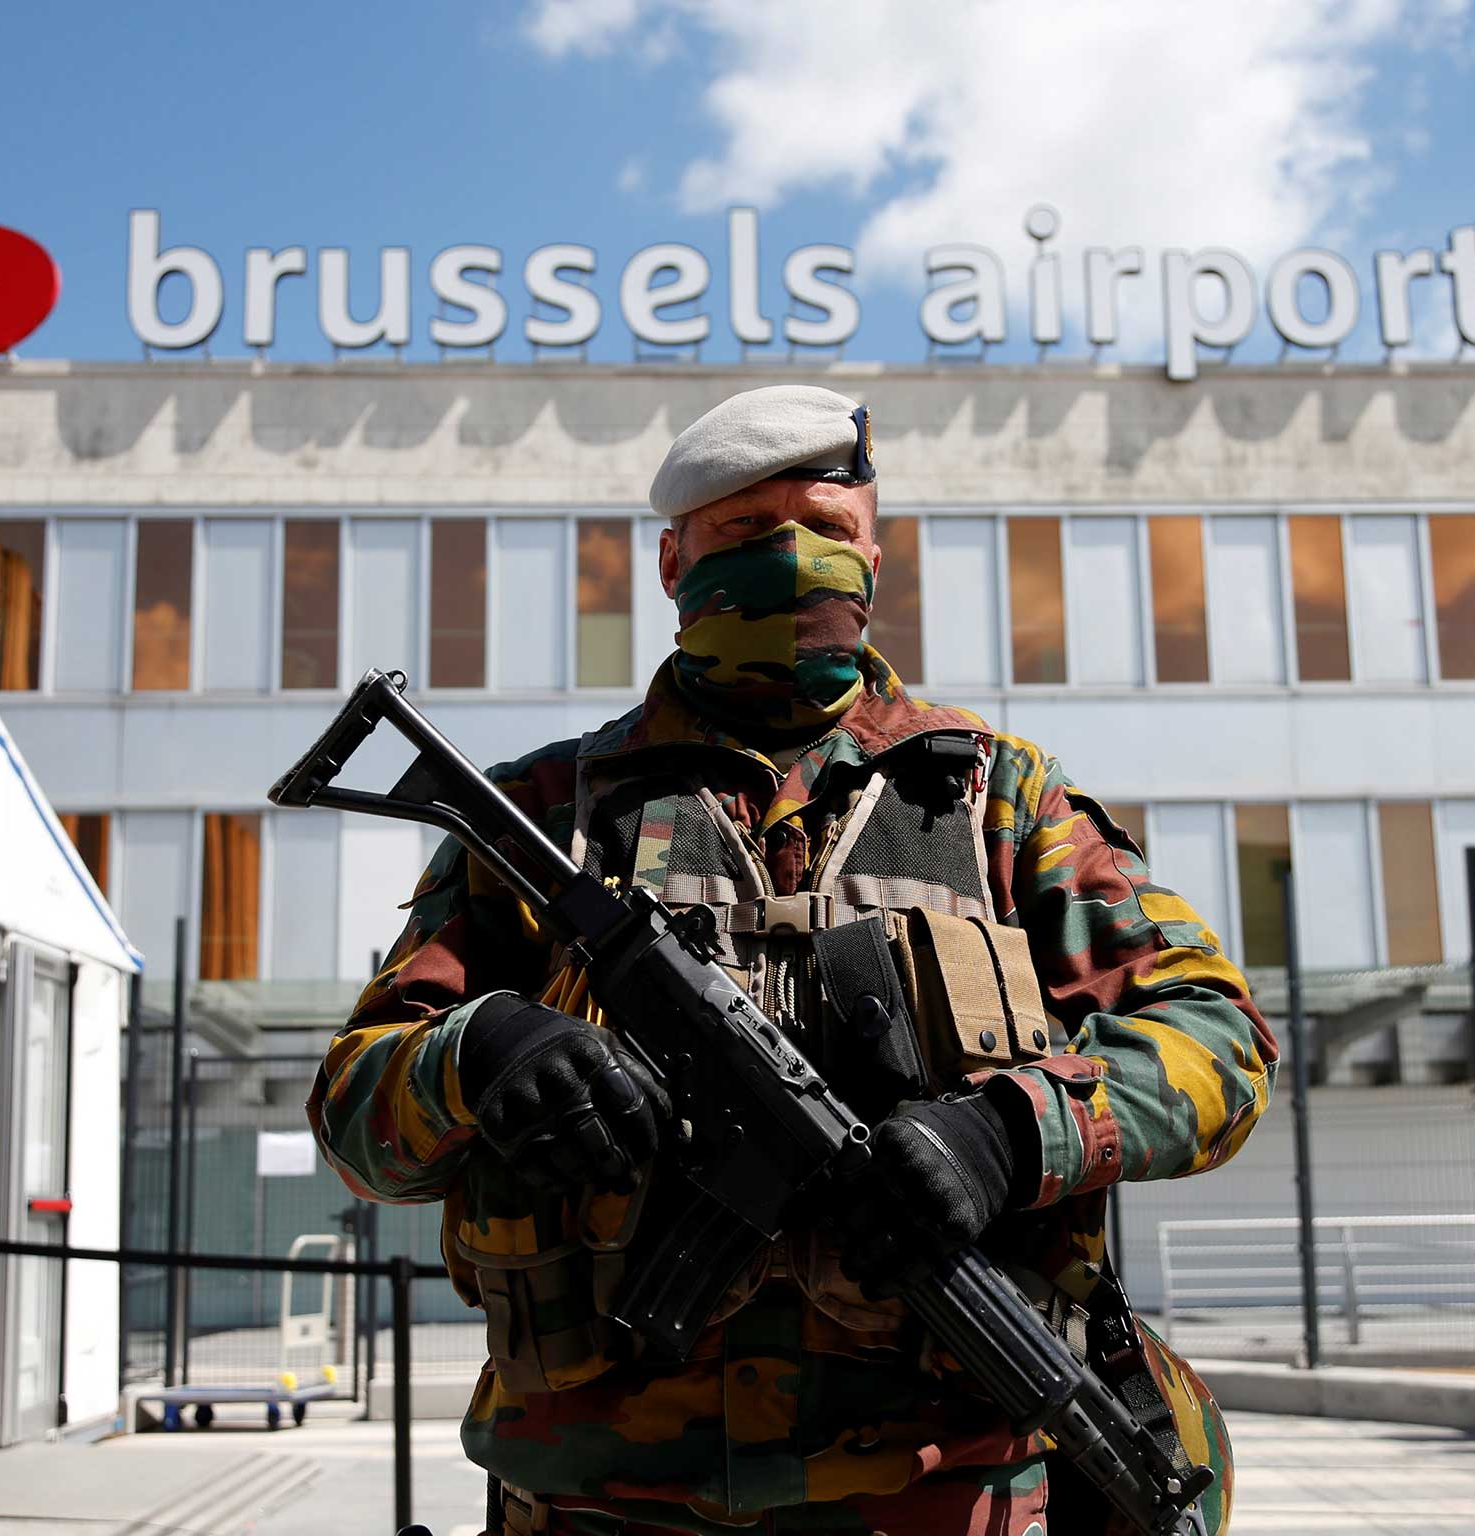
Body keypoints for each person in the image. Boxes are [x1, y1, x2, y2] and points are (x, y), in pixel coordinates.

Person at [309, 385, 1277, 1536]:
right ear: (671, 561)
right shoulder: (540, 815)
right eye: (744, 532)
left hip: (941, 1495)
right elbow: (355, 1111)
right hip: (598, 1506)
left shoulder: (996, 802)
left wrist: (1010, 1134)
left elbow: (1217, 1039)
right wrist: (479, 1055)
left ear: (875, 550)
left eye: (823, 527)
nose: (793, 558)